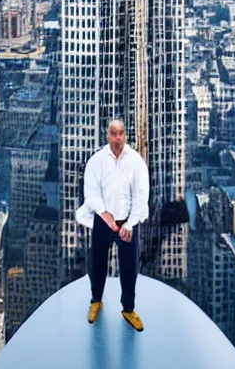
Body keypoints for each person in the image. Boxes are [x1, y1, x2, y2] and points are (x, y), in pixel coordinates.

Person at [75, 119, 149, 332]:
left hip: (126, 221)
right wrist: (103, 213)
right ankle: (96, 300)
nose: (117, 137)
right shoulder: (96, 161)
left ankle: (128, 309)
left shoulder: (136, 161)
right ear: (108, 136)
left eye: (121, 133)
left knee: (129, 266)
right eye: (113, 133)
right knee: (97, 262)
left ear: (125, 135)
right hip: (102, 219)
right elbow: (90, 191)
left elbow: (141, 195)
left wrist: (131, 222)